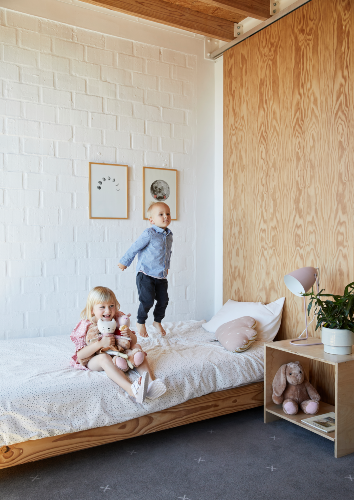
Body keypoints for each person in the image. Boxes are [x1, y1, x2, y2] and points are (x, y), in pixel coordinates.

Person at [70, 286, 166, 403]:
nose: (108, 310)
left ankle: (151, 383)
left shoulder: (118, 319)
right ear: (92, 310)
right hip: (95, 358)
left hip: (118, 354)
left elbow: (133, 342)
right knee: (103, 358)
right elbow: (80, 355)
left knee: (137, 348)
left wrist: (129, 333)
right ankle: (131, 389)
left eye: (111, 306)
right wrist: (100, 343)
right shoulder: (87, 325)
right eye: (102, 307)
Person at [118, 202, 172, 338]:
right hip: (145, 274)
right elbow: (135, 247)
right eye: (161, 214)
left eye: (168, 213)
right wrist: (124, 262)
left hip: (160, 275)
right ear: (151, 220)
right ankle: (140, 322)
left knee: (163, 300)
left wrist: (166, 268)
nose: (165, 216)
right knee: (147, 300)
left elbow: (167, 254)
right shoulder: (149, 233)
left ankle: (157, 321)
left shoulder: (169, 235)